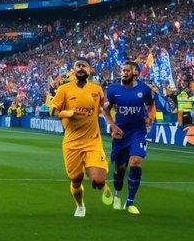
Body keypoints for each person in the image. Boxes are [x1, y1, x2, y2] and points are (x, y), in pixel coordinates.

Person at [50, 58, 112, 218]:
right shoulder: (64, 89)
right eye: (78, 66)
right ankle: (80, 205)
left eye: (84, 66)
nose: (81, 68)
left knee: (97, 182)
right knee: (76, 180)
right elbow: (53, 110)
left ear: (90, 70)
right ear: (73, 70)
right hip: (72, 143)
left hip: (92, 140)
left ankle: (95, 172)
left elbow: (102, 110)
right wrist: (68, 113)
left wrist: (114, 126)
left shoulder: (97, 89)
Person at [106, 61, 156, 215]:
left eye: (127, 70)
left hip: (138, 132)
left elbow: (151, 105)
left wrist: (150, 118)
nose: (124, 72)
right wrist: (113, 126)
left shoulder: (144, 90)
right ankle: (117, 193)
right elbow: (105, 110)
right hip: (120, 133)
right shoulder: (113, 90)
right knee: (120, 169)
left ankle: (130, 202)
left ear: (135, 72)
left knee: (135, 162)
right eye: (123, 70)